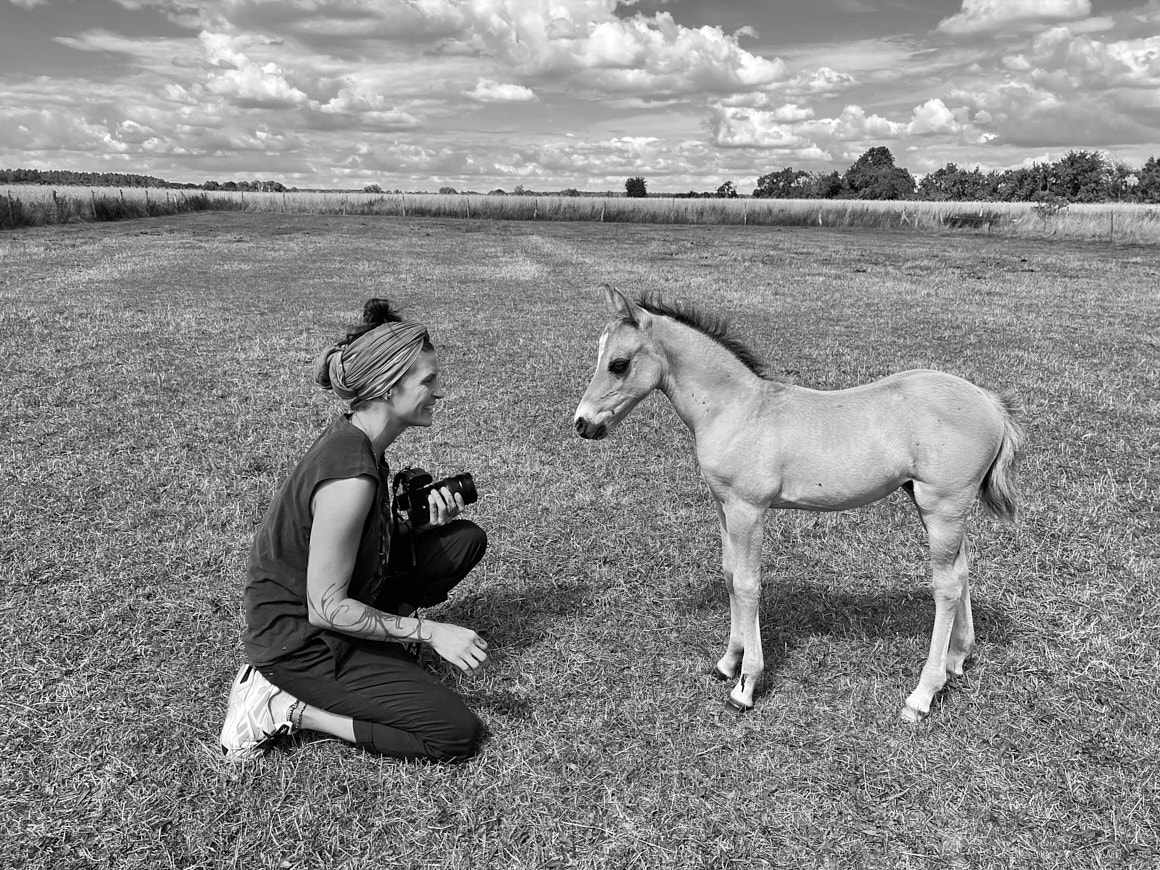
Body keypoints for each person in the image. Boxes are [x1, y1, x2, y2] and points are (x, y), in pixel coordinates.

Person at [219, 298, 490, 763]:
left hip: (332, 605)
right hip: (299, 643)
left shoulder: (360, 442)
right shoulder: (351, 477)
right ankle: (284, 706)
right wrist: (428, 632)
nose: (438, 392)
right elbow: (326, 609)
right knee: (453, 733)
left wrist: (415, 527)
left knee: (463, 539)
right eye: (428, 381)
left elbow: (360, 546)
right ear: (387, 386)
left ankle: (388, 650)